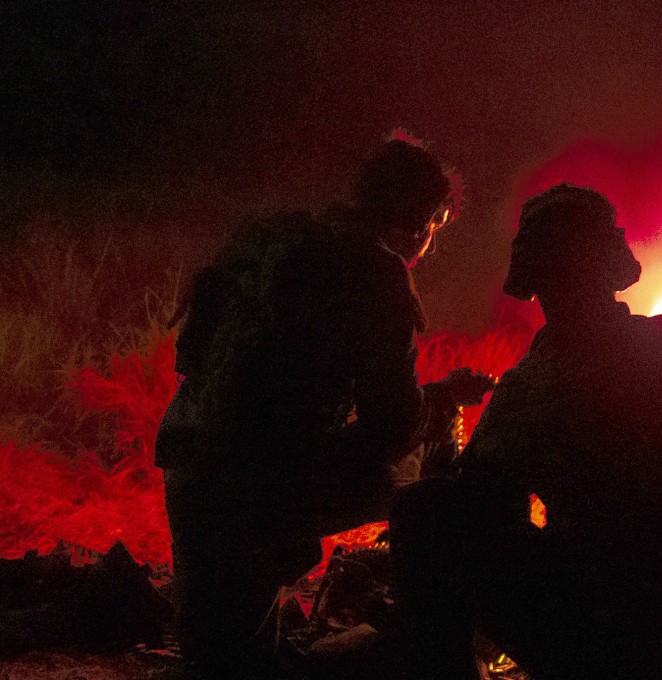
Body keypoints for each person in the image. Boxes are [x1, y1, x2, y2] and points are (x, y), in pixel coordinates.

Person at [390, 184, 662, 680]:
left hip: (611, 647)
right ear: (614, 264)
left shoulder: (535, 386)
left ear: (533, 277)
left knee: (422, 513)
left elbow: (476, 507)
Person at [154, 133, 493, 679]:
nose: (431, 244)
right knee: (429, 490)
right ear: (423, 219)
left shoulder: (273, 237)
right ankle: (437, 636)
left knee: (220, 655)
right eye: (436, 228)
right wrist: (444, 401)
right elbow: (394, 422)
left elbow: (198, 355)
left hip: (187, 459)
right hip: (259, 483)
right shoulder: (378, 271)